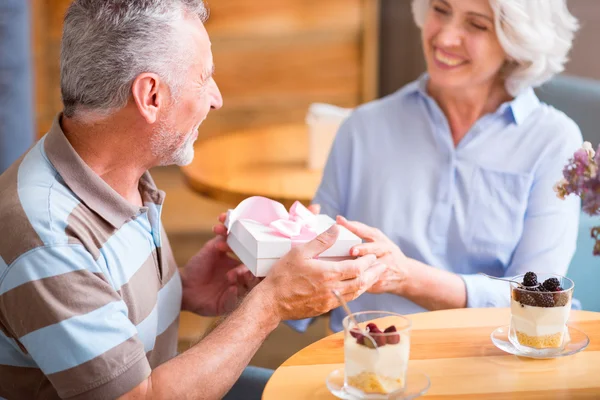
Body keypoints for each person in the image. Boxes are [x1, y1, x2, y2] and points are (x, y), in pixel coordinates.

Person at [0, 1, 386, 399]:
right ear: (150, 95)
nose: (216, 99)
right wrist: (270, 305)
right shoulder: (48, 241)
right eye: (204, 79)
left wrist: (180, 290)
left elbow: (99, 300)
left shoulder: (116, 172)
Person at [287, 0, 583, 334]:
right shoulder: (363, 128)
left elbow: (538, 297)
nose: (445, 37)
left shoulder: (553, 141)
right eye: (441, 9)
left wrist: (407, 277)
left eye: (477, 24)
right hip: (368, 366)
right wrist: (260, 277)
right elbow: (312, 281)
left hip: (491, 365)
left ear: (517, 42)